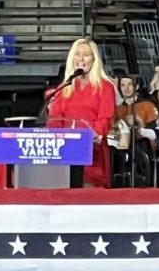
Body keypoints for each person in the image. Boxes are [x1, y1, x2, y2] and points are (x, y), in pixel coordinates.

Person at [46, 38, 116, 188]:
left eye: (86, 55)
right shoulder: (64, 87)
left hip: (91, 152)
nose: (81, 59)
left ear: (94, 59)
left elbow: (105, 118)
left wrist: (94, 135)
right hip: (64, 151)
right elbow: (55, 120)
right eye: (77, 54)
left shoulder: (105, 87)